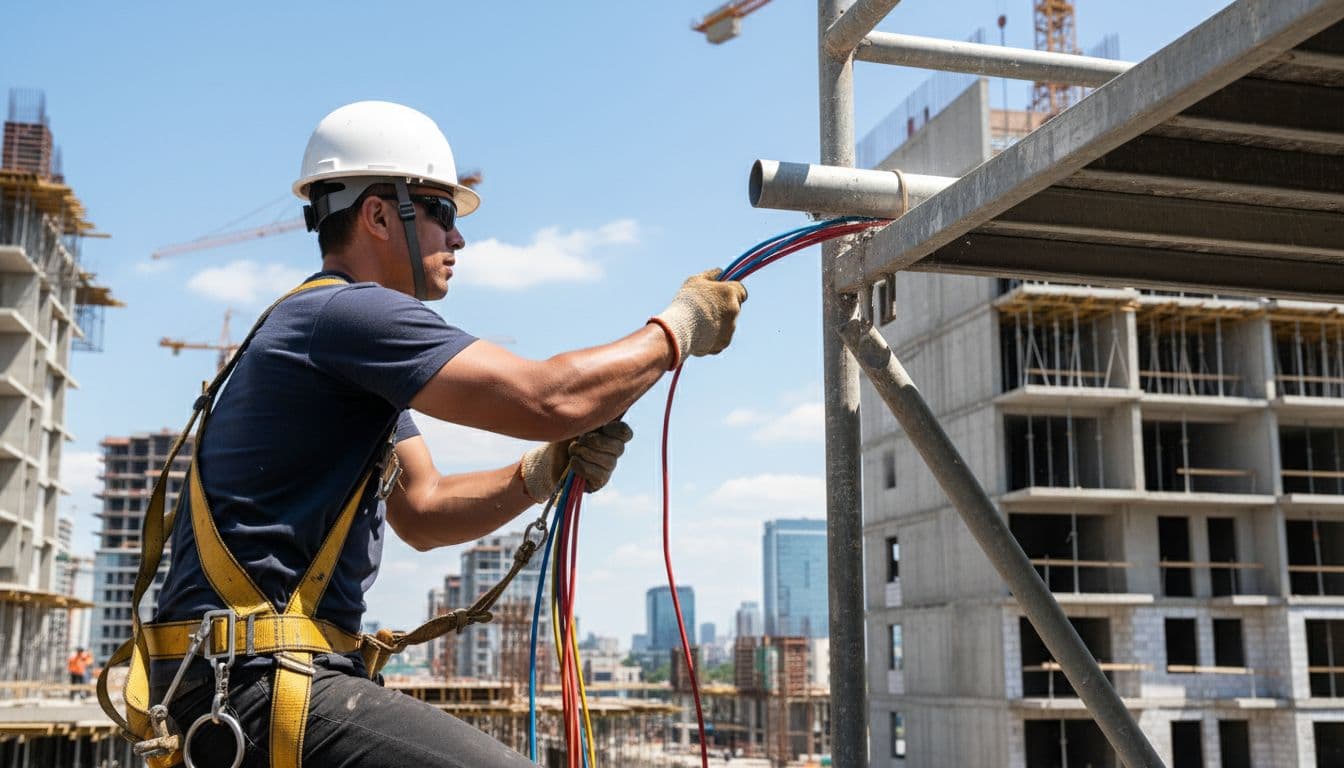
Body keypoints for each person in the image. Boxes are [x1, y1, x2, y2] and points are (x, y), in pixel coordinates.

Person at [141, 101, 747, 768]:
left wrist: (540, 473)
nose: (457, 240)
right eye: (444, 212)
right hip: (256, 685)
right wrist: (681, 325)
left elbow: (424, 510)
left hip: (248, 681)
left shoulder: (334, 344)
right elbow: (551, 396)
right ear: (378, 214)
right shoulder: (350, 314)